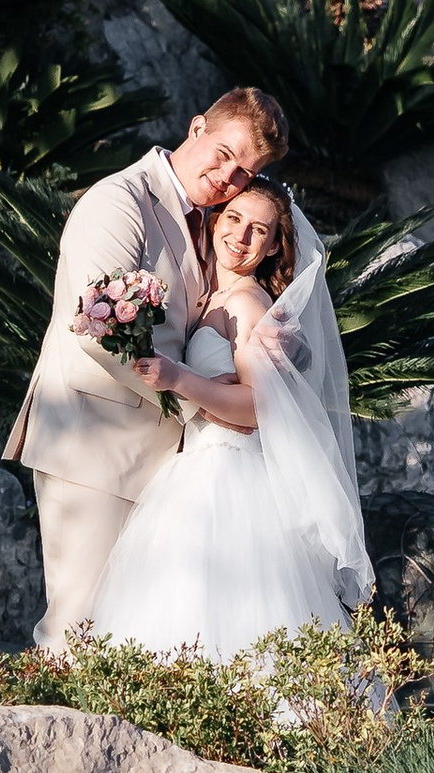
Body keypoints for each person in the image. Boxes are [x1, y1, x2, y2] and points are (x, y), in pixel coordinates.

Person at [4, 88, 290, 650]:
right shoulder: (121, 201)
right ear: (197, 126)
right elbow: (93, 325)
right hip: (94, 449)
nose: (229, 176)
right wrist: (199, 395)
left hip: (164, 469)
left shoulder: (213, 225)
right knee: (77, 629)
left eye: (246, 172)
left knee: (135, 640)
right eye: (225, 154)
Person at [82, 179, 373, 660]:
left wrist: (178, 379)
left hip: (227, 476)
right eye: (234, 219)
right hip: (199, 465)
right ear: (216, 220)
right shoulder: (216, 299)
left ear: (275, 245)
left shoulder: (246, 304)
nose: (240, 236)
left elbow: (257, 409)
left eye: (259, 230)